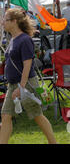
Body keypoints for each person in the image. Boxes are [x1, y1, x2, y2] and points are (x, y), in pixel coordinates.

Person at [0, 8, 56, 144]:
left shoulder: (25, 40)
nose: (3, 23)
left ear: (14, 21)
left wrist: (21, 87)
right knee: (6, 115)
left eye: (5, 20)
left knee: (37, 115)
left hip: (25, 84)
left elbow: (27, 65)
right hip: (13, 85)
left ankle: (53, 142)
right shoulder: (13, 39)